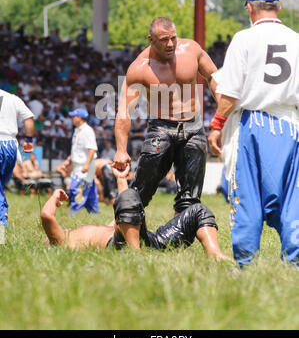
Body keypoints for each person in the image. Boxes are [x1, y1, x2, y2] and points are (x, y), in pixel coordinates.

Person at [208, 0, 299, 267]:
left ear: (249, 8)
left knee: (245, 195)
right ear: (279, 7)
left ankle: (245, 263)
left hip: (251, 126)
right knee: (291, 199)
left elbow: (231, 92)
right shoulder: (296, 39)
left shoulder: (244, 39)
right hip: (290, 125)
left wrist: (217, 123)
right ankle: (294, 261)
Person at [113, 17, 218, 246]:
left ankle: (174, 244)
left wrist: (222, 115)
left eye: (173, 38)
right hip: (161, 128)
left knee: (190, 198)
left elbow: (213, 77)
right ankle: (122, 239)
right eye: (164, 40)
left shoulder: (191, 49)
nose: (170, 44)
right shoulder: (140, 68)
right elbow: (124, 112)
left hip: (193, 127)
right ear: (151, 40)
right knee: (141, 192)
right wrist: (121, 150)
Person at [41, 167, 233, 263]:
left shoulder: (97, 231)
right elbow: (47, 216)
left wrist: (121, 178)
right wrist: (56, 195)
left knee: (197, 210)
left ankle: (215, 254)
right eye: (49, 237)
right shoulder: (65, 241)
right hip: (123, 247)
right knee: (129, 199)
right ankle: (136, 258)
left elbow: (125, 211)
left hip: (149, 241)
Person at [0, 89, 35, 224]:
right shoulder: (12, 98)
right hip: (10, 146)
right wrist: (28, 140)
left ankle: (2, 222)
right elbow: (28, 118)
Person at [67, 107, 99, 214]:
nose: (72, 118)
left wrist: (86, 164)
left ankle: (74, 212)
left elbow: (92, 149)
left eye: (74, 116)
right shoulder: (77, 130)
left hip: (84, 166)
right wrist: (68, 160)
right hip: (80, 165)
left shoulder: (87, 131)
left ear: (79, 118)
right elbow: (76, 148)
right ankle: (93, 212)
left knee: (77, 188)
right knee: (89, 191)